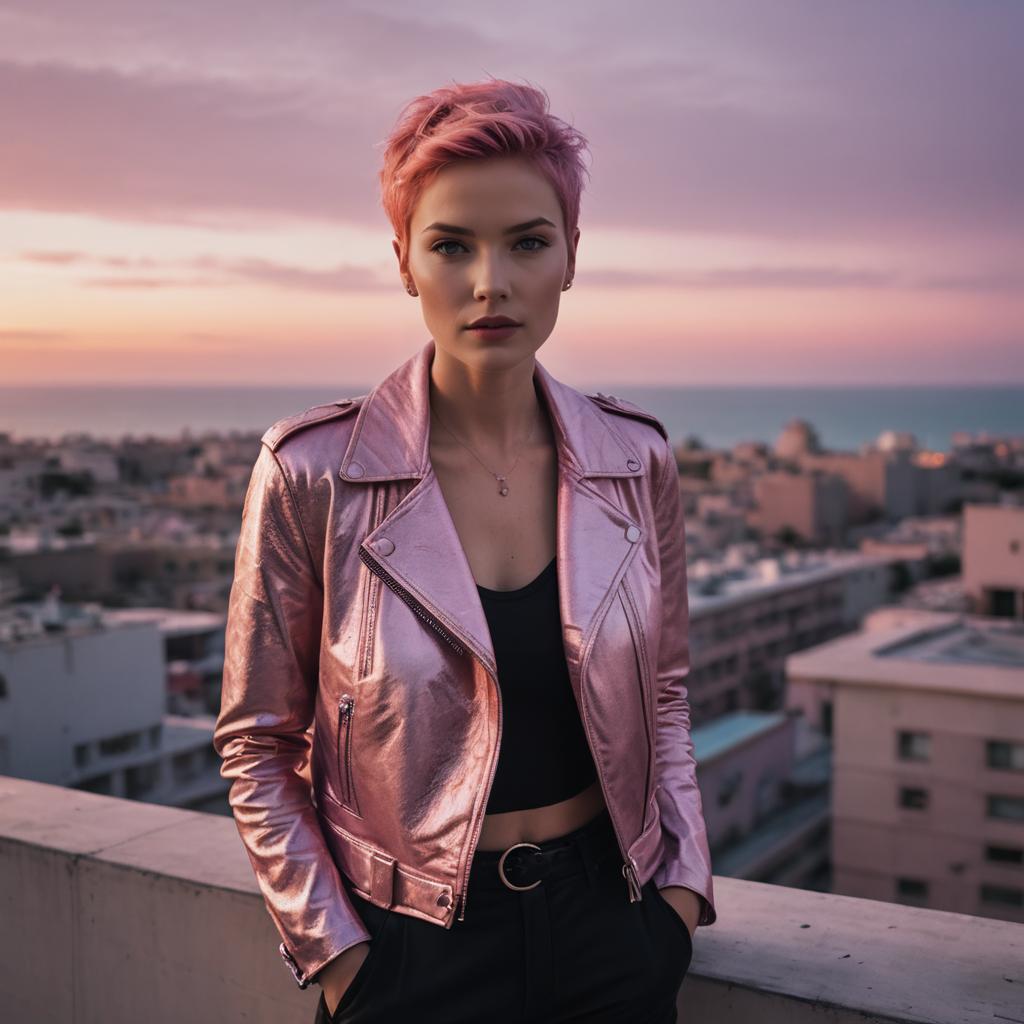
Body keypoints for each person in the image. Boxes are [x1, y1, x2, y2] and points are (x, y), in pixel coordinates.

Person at [214, 76, 716, 1024]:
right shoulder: (313, 473)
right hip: (410, 953)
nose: (492, 282)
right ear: (405, 261)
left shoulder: (635, 459)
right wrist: (339, 954)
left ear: (571, 255)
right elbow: (257, 744)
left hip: (615, 929)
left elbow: (668, 694)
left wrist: (678, 894)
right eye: (452, 245)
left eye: (528, 241)